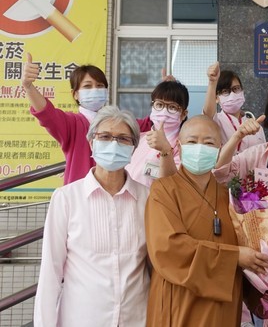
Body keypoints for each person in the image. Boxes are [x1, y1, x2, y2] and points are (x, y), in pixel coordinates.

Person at [145, 115, 268, 326]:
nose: (200, 148)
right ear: (179, 145)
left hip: (223, 306)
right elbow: (167, 248)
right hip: (179, 303)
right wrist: (234, 258)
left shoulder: (228, 197)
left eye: (209, 143)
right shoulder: (163, 190)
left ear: (220, 147)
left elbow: (247, 249)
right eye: (192, 142)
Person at [34, 106, 149, 327]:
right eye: (105, 136)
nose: (114, 144)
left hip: (136, 318)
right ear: (91, 142)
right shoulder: (66, 198)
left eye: (124, 139)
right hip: (81, 319)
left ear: (134, 148)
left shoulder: (147, 198)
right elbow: (51, 271)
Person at [22, 53, 152, 184]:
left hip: (116, 192)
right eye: (87, 86)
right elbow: (46, 113)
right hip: (79, 197)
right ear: (75, 94)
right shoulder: (70, 123)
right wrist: (29, 87)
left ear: (106, 91)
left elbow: (152, 123)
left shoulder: (120, 122)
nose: (95, 90)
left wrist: (166, 93)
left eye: (100, 86)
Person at [126, 80, 189, 187]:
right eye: (159, 104)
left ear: (183, 114)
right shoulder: (140, 138)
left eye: (172, 107)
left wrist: (166, 150)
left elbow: (175, 183)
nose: (164, 111)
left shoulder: (184, 146)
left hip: (154, 201)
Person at [203, 62, 266, 154]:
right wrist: (212, 82)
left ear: (242, 91)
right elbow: (207, 115)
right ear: (216, 98)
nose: (232, 94)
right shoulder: (216, 121)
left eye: (236, 88)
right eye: (225, 91)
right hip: (226, 168)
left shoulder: (255, 125)